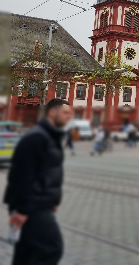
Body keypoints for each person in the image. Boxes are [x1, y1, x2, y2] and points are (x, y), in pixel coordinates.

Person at [4, 99, 72, 265]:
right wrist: (22, 209)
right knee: (52, 249)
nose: (69, 116)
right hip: (33, 205)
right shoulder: (37, 137)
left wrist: (52, 201)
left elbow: (47, 172)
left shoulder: (49, 136)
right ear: (52, 112)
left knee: (26, 253)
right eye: (65, 112)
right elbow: (22, 176)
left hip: (40, 203)